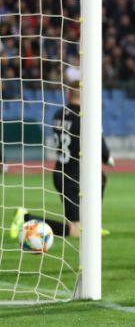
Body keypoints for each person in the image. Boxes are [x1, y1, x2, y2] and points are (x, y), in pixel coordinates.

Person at [10, 76, 114, 239]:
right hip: (74, 176)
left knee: (101, 178)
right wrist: (107, 157)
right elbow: (103, 150)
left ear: (68, 95)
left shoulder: (58, 114)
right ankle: (26, 218)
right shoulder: (86, 117)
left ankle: (93, 224)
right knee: (76, 232)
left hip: (62, 172)